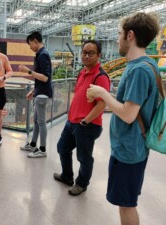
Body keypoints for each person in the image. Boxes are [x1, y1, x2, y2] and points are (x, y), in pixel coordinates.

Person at [87, 12, 160, 225]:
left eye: (119, 34)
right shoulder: (144, 65)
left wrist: (102, 93)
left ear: (130, 35)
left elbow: (129, 115)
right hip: (129, 147)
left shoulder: (138, 70)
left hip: (129, 151)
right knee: (125, 202)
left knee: (127, 205)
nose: (117, 39)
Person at [53, 40, 110, 195]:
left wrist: (85, 121)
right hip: (72, 122)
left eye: (91, 53)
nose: (86, 56)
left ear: (99, 55)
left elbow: (102, 104)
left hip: (87, 125)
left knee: (84, 158)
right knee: (62, 148)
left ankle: (82, 183)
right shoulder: (82, 72)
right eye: (84, 52)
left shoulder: (100, 77)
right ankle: (67, 176)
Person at [19, 31, 53, 158]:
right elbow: (42, 79)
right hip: (40, 93)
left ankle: (42, 149)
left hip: (43, 95)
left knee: (41, 122)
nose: (30, 47)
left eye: (30, 44)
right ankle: (33, 144)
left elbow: (45, 78)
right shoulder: (41, 54)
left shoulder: (43, 55)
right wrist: (33, 91)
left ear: (35, 41)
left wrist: (28, 71)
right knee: (37, 121)